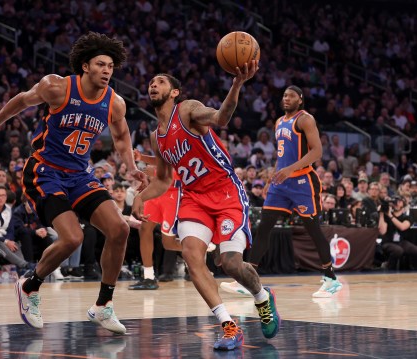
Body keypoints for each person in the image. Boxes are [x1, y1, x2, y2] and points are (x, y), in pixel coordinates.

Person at [0, 32, 145, 332]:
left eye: (111, 66)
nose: (107, 71)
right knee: (73, 237)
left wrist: (131, 166)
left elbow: (122, 135)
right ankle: (29, 285)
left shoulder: (114, 103)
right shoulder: (57, 86)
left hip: (79, 174)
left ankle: (103, 305)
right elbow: (21, 102)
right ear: (85, 66)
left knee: (119, 229)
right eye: (101, 64)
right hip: (44, 171)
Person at [132, 66, 280, 352]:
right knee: (191, 255)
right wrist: (142, 197)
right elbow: (163, 179)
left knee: (232, 264)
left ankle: (262, 297)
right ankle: (228, 325)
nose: (153, 85)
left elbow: (221, 118)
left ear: (174, 92)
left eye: (160, 82)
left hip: (225, 193)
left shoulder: (187, 110)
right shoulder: (156, 137)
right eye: (150, 82)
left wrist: (236, 84)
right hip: (194, 198)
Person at [224, 86, 343, 298]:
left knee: (313, 229)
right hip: (281, 182)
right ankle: (248, 279)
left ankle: (330, 278)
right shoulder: (279, 122)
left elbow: (317, 151)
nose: (286, 99)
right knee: (264, 227)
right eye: (284, 96)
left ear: (300, 99)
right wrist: (275, 176)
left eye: (291, 96)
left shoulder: (305, 119)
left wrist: (289, 170)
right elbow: (283, 155)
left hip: (303, 181)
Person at [129, 150, 182, 290]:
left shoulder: (186, 140)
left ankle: (200, 248)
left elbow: (183, 168)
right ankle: (149, 277)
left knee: (168, 243)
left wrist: (157, 173)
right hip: (156, 192)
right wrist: (142, 157)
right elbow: (163, 160)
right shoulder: (164, 139)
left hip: (173, 193)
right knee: (144, 228)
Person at [378, 196, 417, 270]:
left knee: (415, 250)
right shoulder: (386, 216)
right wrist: (382, 214)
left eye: (399, 202)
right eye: (394, 202)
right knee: (398, 250)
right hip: (388, 242)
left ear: (403, 204)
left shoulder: (406, 217)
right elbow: (382, 231)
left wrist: (390, 216)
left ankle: (410, 268)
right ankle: (389, 267)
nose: (396, 203)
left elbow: (402, 227)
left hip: (401, 242)